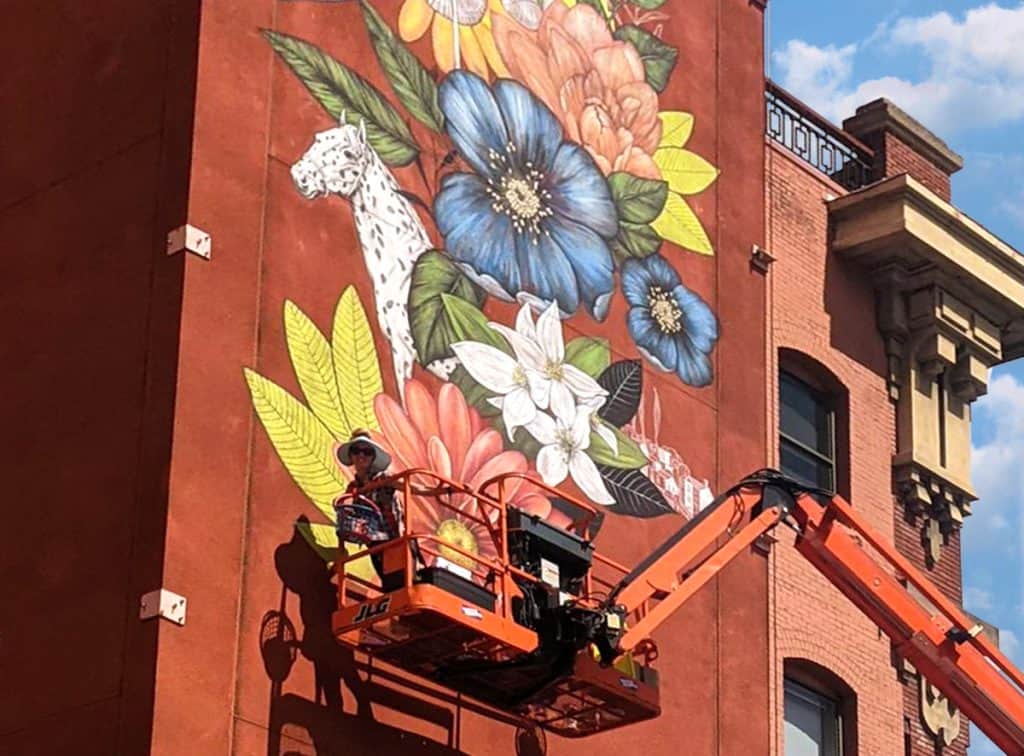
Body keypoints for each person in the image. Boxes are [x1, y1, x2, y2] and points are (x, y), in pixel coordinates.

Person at [335, 429, 404, 591]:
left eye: (366, 452)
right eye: (356, 451)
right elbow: (346, 510)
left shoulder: (383, 478)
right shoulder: (353, 488)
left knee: (401, 582)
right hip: (375, 545)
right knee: (389, 586)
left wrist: (442, 490)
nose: (361, 456)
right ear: (351, 456)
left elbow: (413, 488)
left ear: (372, 457)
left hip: (395, 541)